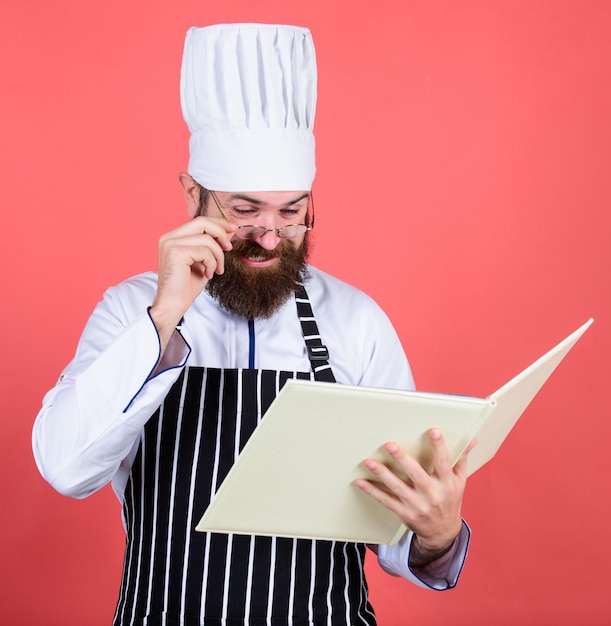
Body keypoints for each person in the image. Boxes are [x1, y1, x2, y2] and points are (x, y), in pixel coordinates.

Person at [33, 23, 473, 626]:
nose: (269, 235)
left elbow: (394, 523)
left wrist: (437, 534)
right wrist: (164, 315)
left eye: (292, 212)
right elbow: (66, 468)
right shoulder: (129, 310)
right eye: (244, 210)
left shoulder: (356, 322)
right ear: (193, 194)